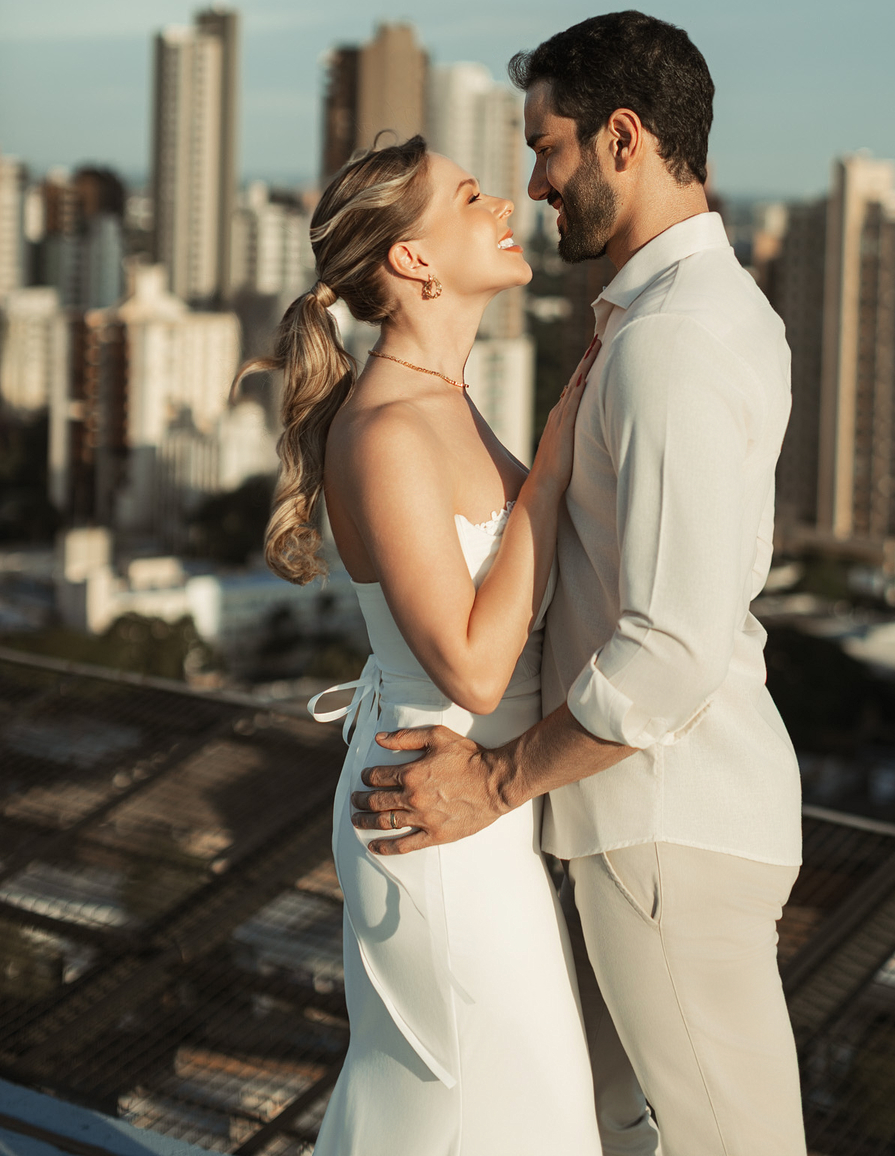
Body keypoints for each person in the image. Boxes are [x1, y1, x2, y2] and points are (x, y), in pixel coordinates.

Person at [351, 11, 807, 1156]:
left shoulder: (674, 341)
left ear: (621, 139)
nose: (534, 182)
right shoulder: (663, 322)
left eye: (547, 147)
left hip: (665, 825)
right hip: (627, 819)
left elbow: (670, 651)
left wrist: (498, 781)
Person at [241, 137, 603, 1156]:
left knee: (477, 1114)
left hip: (471, 810)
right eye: (469, 195)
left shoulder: (449, 403)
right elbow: (475, 665)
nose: (505, 204)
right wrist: (556, 464)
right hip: (434, 823)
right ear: (413, 261)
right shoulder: (389, 432)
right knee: (505, 1114)